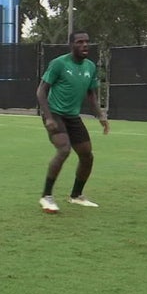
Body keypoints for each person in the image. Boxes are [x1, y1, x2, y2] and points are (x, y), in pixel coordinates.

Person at [36, 30, 110, 213]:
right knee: (64, 149)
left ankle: (76, 196)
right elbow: (41, 91)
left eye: (86, 42)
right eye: (79, 42)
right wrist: (49, 118)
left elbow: (91, 94)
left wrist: (100, 115)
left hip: (72, 116)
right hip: (54, 113)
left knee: (87, 155)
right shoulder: (59, 64)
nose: (84, 45)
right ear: (71, 45)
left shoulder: (90, 67)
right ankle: (46, 196)